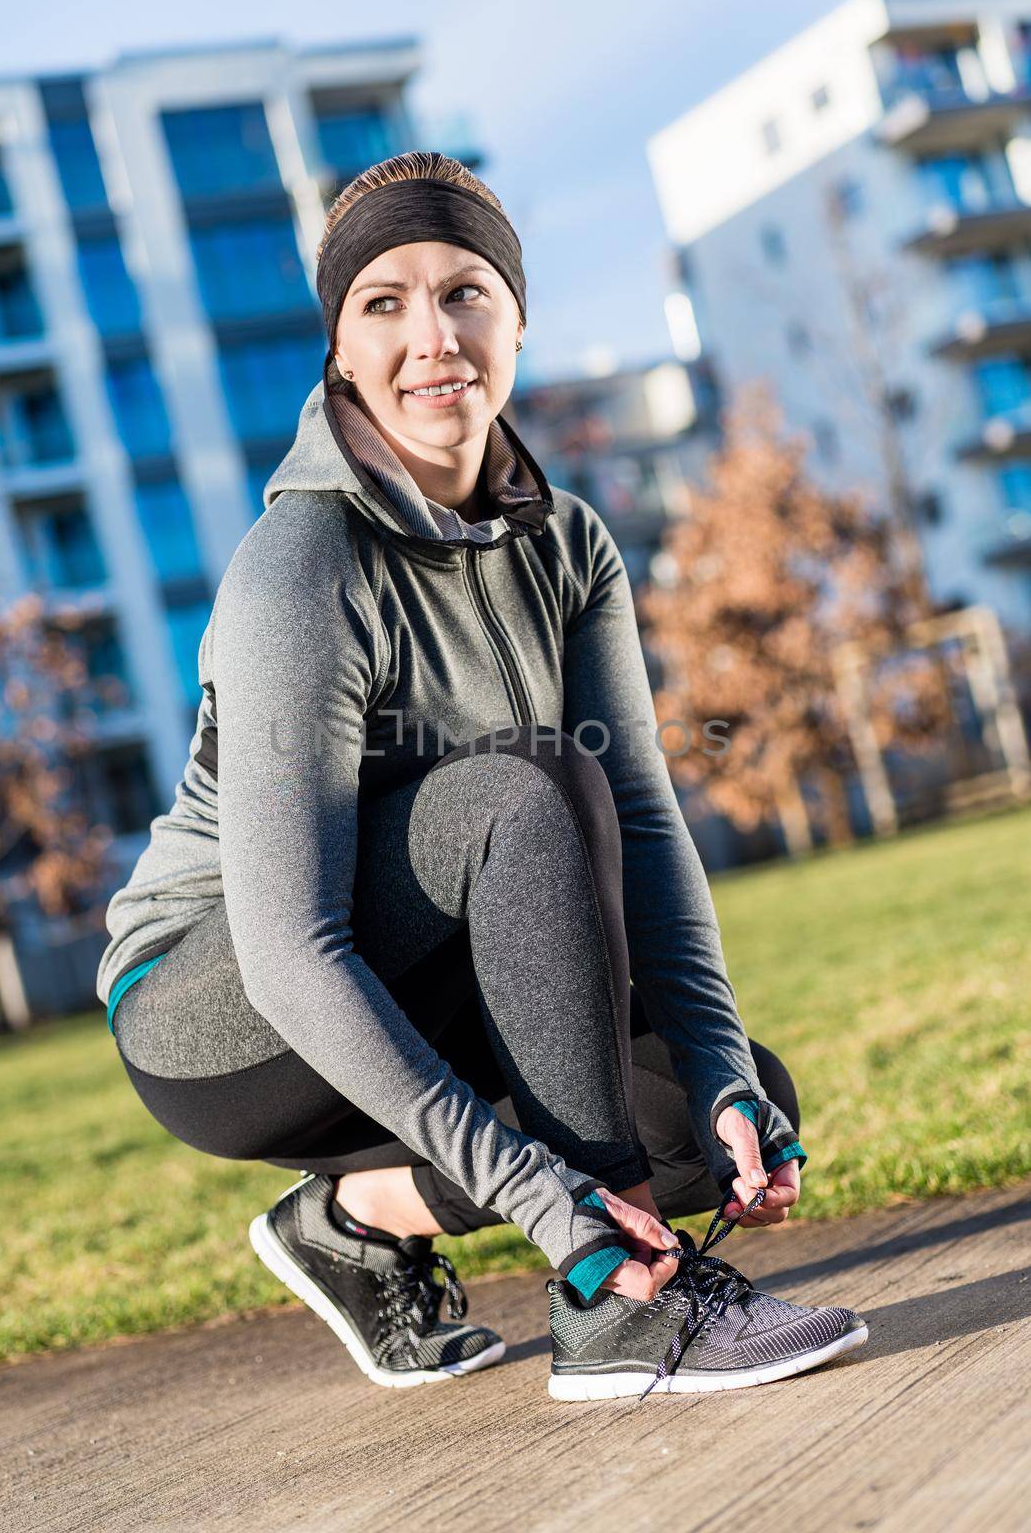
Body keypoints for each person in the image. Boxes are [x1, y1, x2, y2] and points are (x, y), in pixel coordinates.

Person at [96, 151, 867, 1400]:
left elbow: (645, 826)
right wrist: (552, 1207)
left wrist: (719, 1063)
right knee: (522, 786)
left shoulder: (568, 545)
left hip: (414, 958)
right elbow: (294, 946)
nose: (433, 336)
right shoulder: (302, 569)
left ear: (517, 319)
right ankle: (610, 1314)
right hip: (217, 1002)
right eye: (383, 303)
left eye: (466, 292)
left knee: (703, 1122)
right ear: (339, 349)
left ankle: (354, 1219)